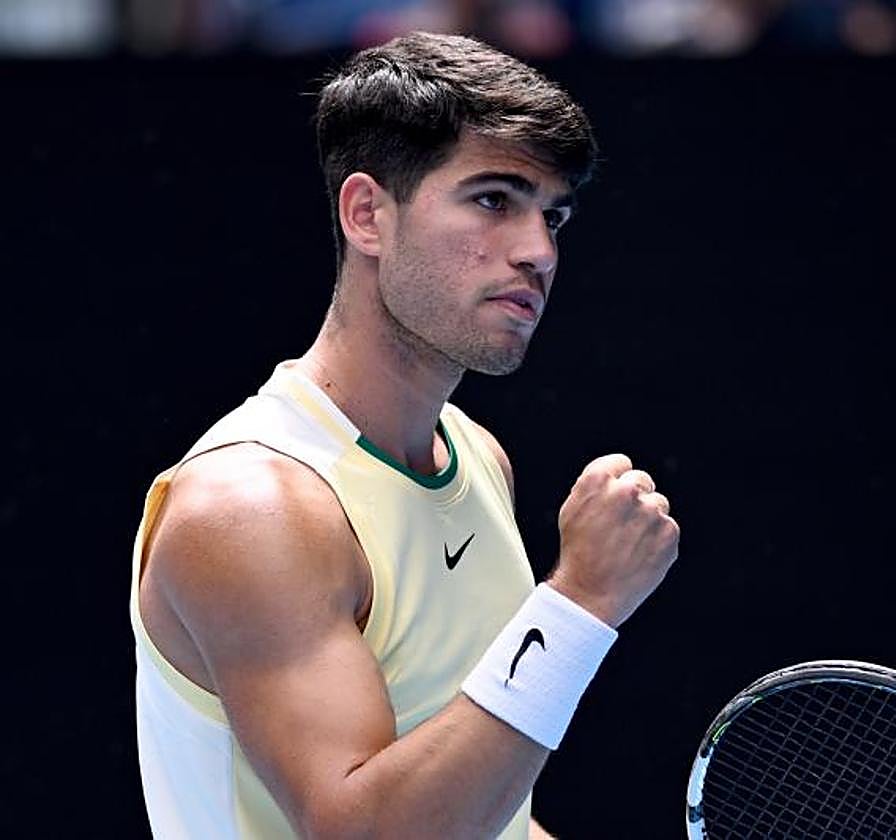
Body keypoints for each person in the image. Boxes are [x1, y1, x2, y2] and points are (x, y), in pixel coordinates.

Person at [129, 31, 680, 839]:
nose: (538, 252)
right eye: (494, 200)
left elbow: (472, 807)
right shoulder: (253, 508)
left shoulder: (478, 459)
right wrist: (580, 604)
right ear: (367, 215)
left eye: (553, 215)